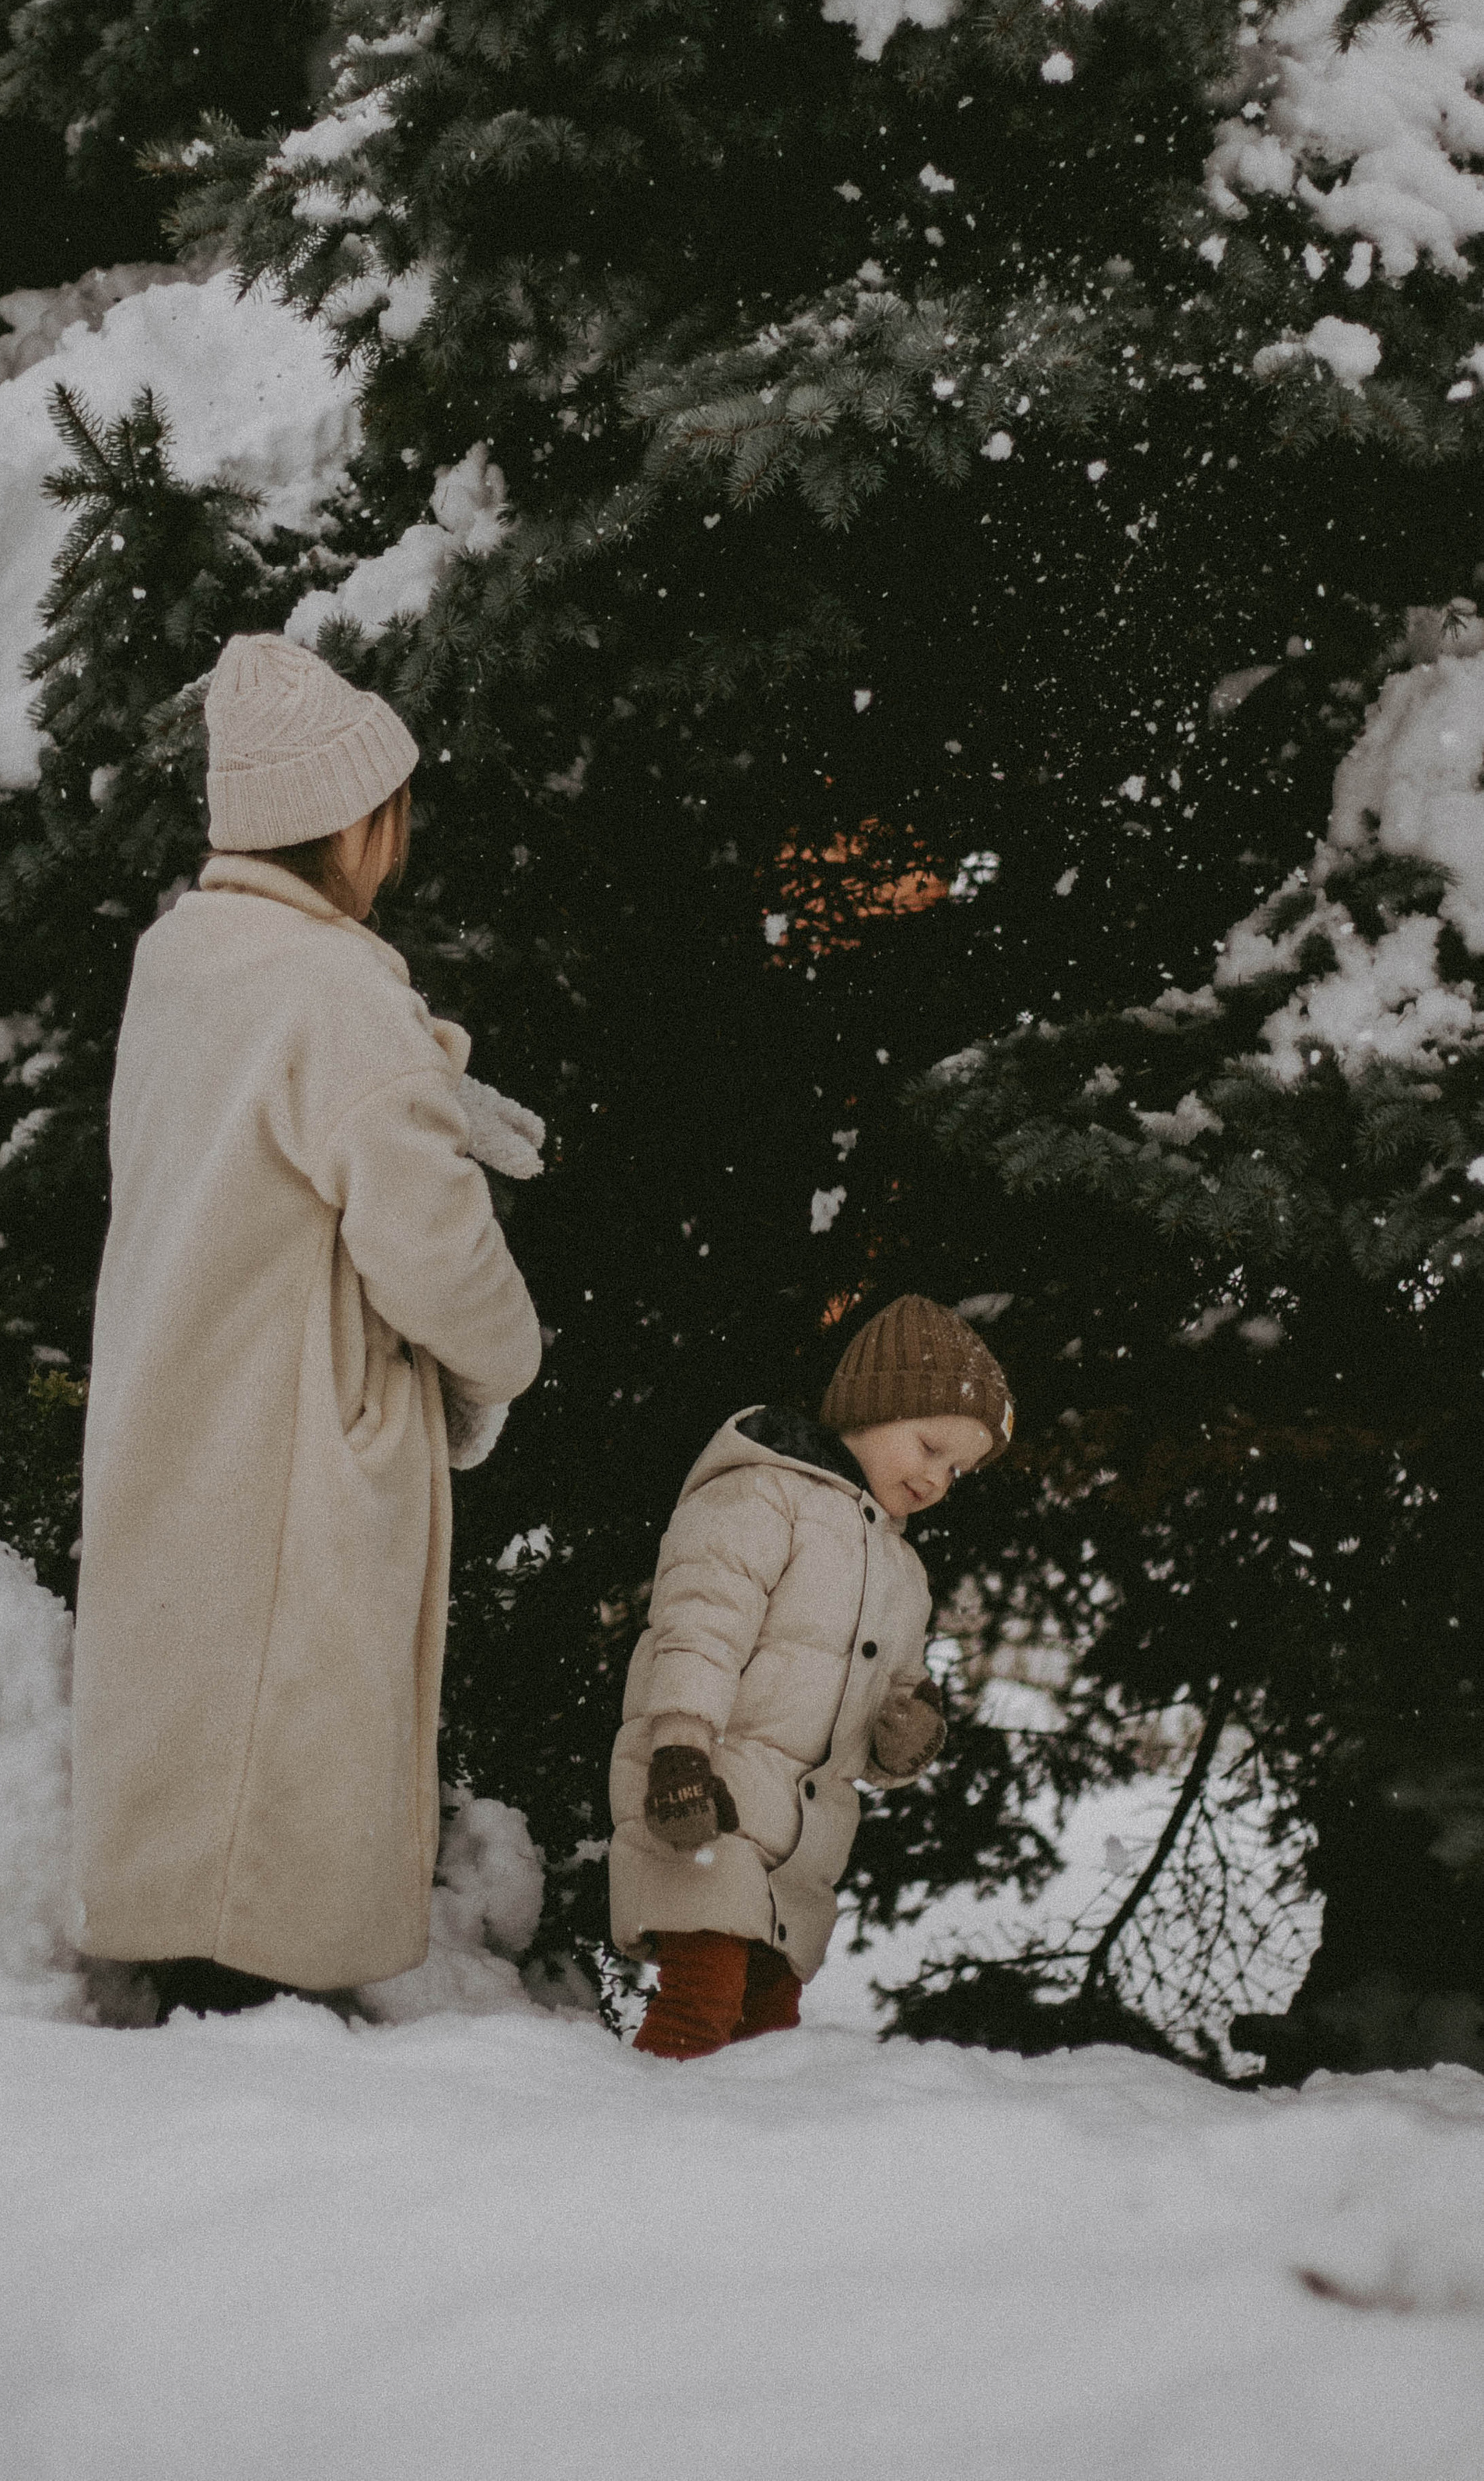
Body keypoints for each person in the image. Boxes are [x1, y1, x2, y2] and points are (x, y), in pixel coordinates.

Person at [72, 633, 542, 2017]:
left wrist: (425, 1071)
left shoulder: (187, 955)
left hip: (182, 1392)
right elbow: (431, 1248)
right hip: (301, 1424)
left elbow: (261, 1117)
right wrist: (509, 1357)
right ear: (347, 822)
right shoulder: (340, 993)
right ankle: (258, 2024)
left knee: (204, 1697)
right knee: (290, 1726)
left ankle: (185, 1962)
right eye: (390, 813)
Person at [608, 1295, 1013, 2060]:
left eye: (956, 1468)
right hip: (706, 1799)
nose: (937, 1479)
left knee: (766, 2027)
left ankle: (743, 2172)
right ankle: (639, 2150)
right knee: (704, 2001)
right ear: (870, 1409)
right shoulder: (761, 1494)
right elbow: (699, 1625)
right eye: (927, 1446)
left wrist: (907, 1734)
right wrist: (680, 1751)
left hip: (802, 1844)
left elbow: (886, 1697)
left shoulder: (902, 1571)